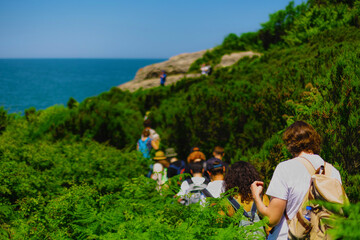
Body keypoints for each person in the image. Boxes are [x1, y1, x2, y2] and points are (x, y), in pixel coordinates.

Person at [251, 121, 343, 240]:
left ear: (290, 144)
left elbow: (272, 219)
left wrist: (256, 197)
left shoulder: (285, 168)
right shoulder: (333, 172)